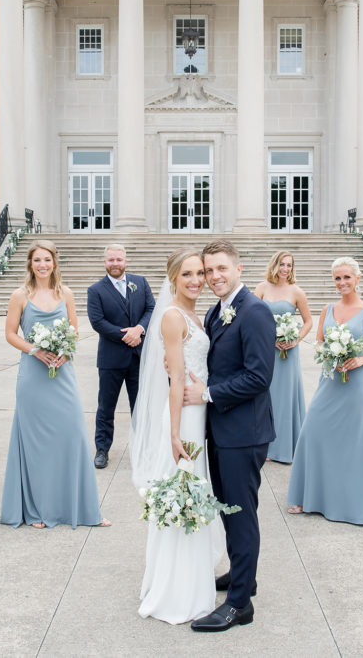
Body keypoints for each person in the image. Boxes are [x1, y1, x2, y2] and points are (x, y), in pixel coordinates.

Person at [182, 240, 276, 633]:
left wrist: (206, 394)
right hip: (221, 430)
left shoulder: (254, 312)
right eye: (208, 270)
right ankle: (243, 575)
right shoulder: (217, 310)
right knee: (228, 510)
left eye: (221, 268)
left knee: (240, 514)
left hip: (243, 432)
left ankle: (240, 604)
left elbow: (258, 376)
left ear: (238, 269)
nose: (213, 276)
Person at [132, 249, 224, 624]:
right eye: (187, 274)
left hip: (199, 411)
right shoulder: (172, 316)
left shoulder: (194, 314)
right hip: (184, 417)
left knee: (195, 494)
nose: (196, 280)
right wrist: (173, 434)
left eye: (200, 273)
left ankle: (193, 580)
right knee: (184, 492)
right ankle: (176, 592)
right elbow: (173, 381)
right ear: (173, 278)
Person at [0, 240, 110, 528]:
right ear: (30, 264)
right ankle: (38, 510)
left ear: (54, 263)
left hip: (62, 373)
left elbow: (74, 330)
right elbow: (11, 334)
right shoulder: (19, 295)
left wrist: (64, 351)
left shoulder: (67, 294)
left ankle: (82, 509)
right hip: (33, 376)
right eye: (37, 260)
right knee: (37, 444)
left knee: (72, 435)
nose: (42, 265)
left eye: (47, 260)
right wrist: (34, 350)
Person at [286, 257, 363, 524]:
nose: (342, 283)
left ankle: (354, 505)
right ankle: (310, 496)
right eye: (337, 278)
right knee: (313, 431)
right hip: (329, 380)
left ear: (357, 279)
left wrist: (360, 359)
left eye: (346, 278)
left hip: (357, 384)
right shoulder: (328, 308)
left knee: (354, 443)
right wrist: (328, 351)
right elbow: (318, 342)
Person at [86, 244, 155, 469]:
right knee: (106, 406)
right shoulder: (95, 290)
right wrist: (126, 335)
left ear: (125, 260)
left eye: (118, 259)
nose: (115, 264)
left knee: (140, 406)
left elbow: (151, 309)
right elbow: (97, 322)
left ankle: (143, 448)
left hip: (138, 357)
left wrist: (140, 330)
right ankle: (102, 449)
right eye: (111, 260)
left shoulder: (140, 282)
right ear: (104, 262)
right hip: (111, 358)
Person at [254, 251, 312, 464]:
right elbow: (252, 316)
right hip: (266, 349)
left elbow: (307, 322)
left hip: (287, 352)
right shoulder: (261, 288)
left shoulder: (297, 292)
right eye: (282, 264)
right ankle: (264, 444)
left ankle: (284, 448)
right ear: (274, 265)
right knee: (266, 393)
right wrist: (267, 338)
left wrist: (295, 339)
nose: (285, 269)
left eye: (289, 265)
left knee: (285, 397)